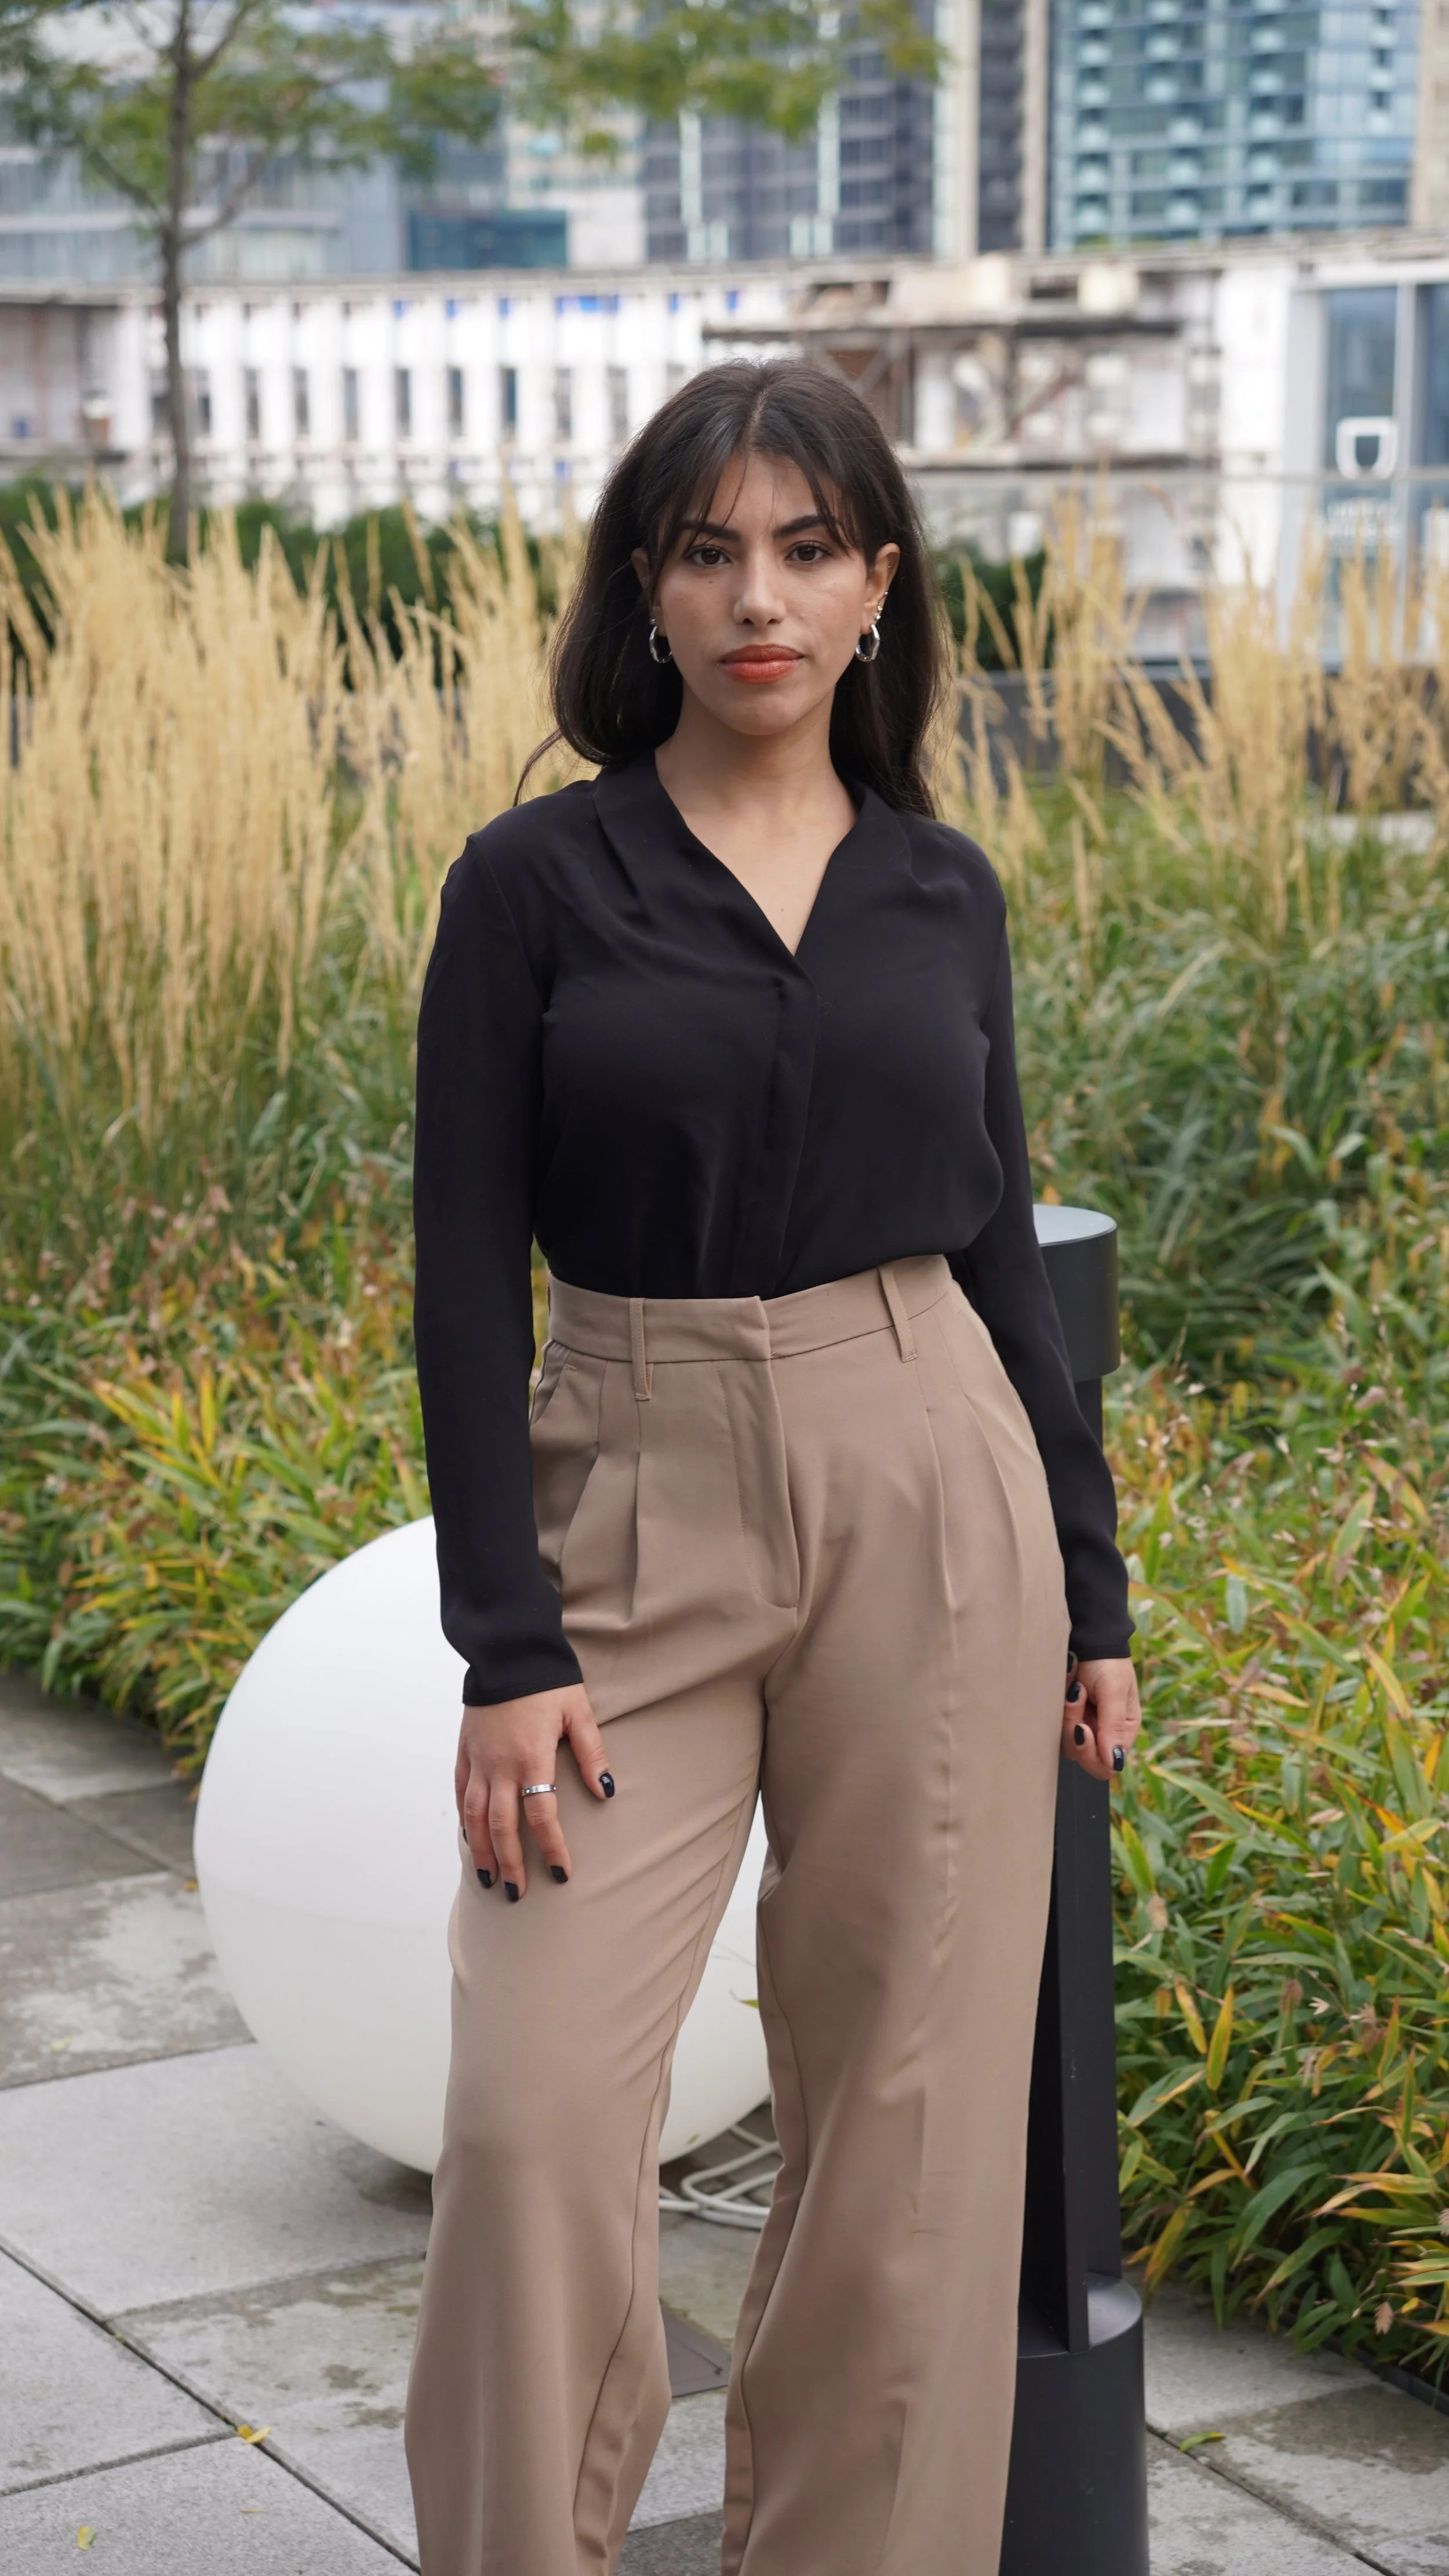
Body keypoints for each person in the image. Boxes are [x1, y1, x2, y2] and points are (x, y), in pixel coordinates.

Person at [404, 359, 1142, 2576]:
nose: (757, 596)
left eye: (806, 550)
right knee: (534, 2118)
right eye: (709, 548)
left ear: (875, 590)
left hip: (937, 1482)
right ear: (647, 586)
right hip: (628, 1485)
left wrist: (1090, 1590)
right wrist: (500, 1642)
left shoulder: (942, 888)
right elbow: (458, 1277)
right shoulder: (535, 883)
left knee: (911, 2136)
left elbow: (995, 1242)